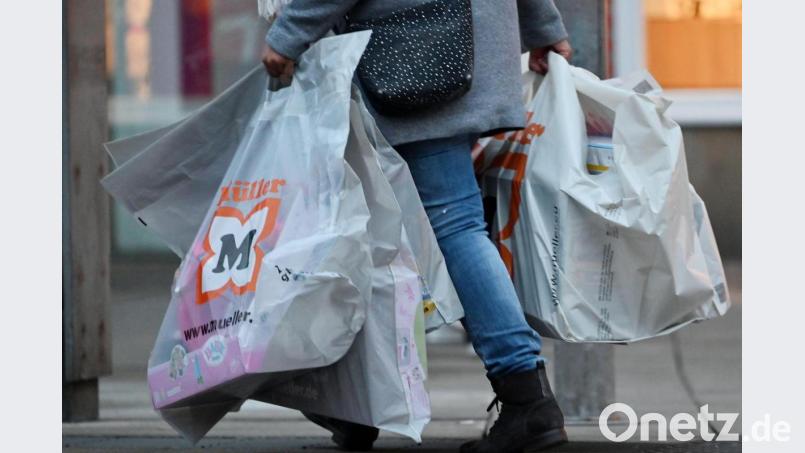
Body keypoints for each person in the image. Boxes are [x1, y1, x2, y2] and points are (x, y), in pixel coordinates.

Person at [262, 1, 572, 452]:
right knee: (379, 224)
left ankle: (526, 397)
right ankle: (356, 400)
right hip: (463, 44)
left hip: (420, 54)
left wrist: (290, 32)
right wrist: (542, 26)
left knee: (452, 224)